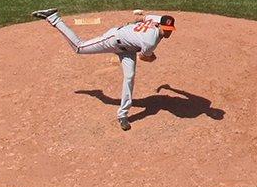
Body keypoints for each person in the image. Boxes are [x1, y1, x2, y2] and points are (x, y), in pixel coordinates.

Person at [30, 8, 177, 130]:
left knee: (130, 76)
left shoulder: (157, 19)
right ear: (160, 25)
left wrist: (133, 28)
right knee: (79, 47)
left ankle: (122, 115)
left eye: (170, 30)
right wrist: (151, 55)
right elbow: (144, 57)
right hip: (113, 40)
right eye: (166, 29)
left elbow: (140, 18)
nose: (168, 32)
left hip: (128, 49)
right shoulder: (150, 41)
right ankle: (54, 18)